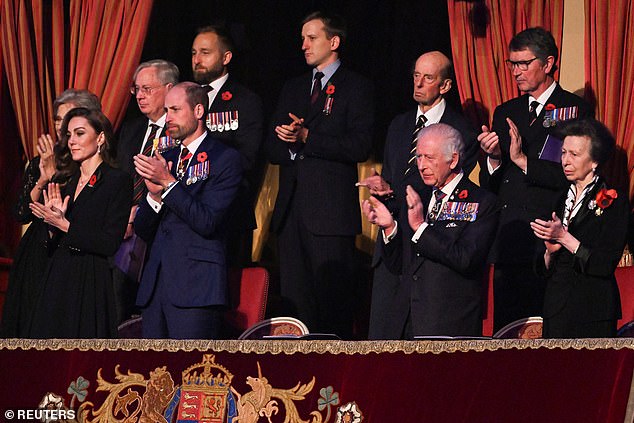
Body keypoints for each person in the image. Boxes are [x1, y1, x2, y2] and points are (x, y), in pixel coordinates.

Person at [477, 27, 593, 331]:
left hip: (547, 235)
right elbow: (491, 184)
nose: (516, 72)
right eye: (512, 64)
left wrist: (522, 160)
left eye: (524, 64)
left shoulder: (574, 110)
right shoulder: (506, 110)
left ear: (549, 63)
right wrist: (494, 157)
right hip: (509, 236)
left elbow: (571, 175)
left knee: (545, 336)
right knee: (508, 335)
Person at [267, 11, 374, 338]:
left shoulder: (356, 87)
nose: (304, 45)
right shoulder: (294, 87)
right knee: (296, 309)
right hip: (291, 214)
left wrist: (309, 138)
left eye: (311, 38)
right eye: (302, 38)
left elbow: (359, 146)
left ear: (334, 41)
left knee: (332, 308)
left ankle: (333, 381)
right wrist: (287, 141)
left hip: (330, 216)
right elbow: (271, 147)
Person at [357, 51, 479, 339]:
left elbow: (448, 190)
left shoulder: (461, 132)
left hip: (427, 252)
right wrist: (383, 190)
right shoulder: (399, 125)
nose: (419, 83)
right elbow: (390, 177)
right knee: (383, 341)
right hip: (391, 245)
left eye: (428, 77)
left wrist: (397, 195)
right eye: (416, 75)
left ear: (445, 85)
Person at [362, 123, 498, 338]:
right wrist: (389, 228)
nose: (422, 166)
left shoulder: (482, 202)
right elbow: (399, 266)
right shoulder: (418, 197)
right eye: (418, 157)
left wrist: (421, 228)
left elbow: (466, 259)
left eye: (429, 158)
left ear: (453, 160)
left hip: (448, 323)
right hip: (406, 322)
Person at [133, 82, 242, 339]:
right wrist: (153, 195)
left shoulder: (224, 158)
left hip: (196, 287)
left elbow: (207, 221)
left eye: (174, 110)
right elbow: (142, 229)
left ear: (198, 111)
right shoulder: (165, 157)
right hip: (156, 286)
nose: (167, 118)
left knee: (191, 373)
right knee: (152, 375)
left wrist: (169, 184)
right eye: (166, 110)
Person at [1, 89, 101, 338]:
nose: (61, 126)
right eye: (58, 119)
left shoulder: (93, 163)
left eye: (68, 119)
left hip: (70, 252)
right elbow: (22, 212)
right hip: (37, 252)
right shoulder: (42, 161)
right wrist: (44, 178)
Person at [27, 107, 132, 338]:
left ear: (101, 137)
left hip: (89, 280)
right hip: (58, 276)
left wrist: (65, 225)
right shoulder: (70, 182)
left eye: (80, 133)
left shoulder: (117, 181)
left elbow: (109, 243)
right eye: (69, 135)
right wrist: (52, 224)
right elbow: (53, 240)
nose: (71, 141)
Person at [530, 119, 629, 338]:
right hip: (556, 306)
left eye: (574, 155)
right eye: (564, 152)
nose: (565, 160)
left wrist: (565, 238)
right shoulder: (558, 198)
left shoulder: (614, 201)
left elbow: (604, 264)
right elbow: (542, 268)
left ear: (594, 161)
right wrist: (549, 252)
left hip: (593, 308)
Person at [192, 24, 264, 266]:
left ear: (226, 57)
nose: (197, 59)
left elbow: (247, 157)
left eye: (205, 52)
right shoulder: (185, 98)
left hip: (228, 212)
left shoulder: (245, 100)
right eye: (194, 53)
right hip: (187, 210)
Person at [114, 59, 179, 323]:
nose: (139, 96)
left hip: (160, 229)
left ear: (169, 88)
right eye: (136, 89)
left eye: (147, 89)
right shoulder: (132, 128)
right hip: (124, 232)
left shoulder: (179, 129)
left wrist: (138, 213)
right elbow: (120, 179)